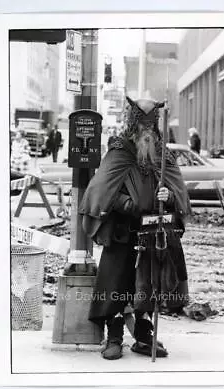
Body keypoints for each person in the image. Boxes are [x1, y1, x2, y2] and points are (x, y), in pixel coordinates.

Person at [79, 97, 191, 360]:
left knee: (149, 285)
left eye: (151, 126)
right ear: (133, 123)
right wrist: (127, 203)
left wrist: (169, 197)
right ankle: (114, 338)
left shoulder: (164, 154)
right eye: (143, 126)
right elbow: (100, 191)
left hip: (153, 234)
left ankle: (143, 337)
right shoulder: (119, 151)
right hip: (122, 232)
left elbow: (179, 194)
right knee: (115, 284)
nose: (147, 132)